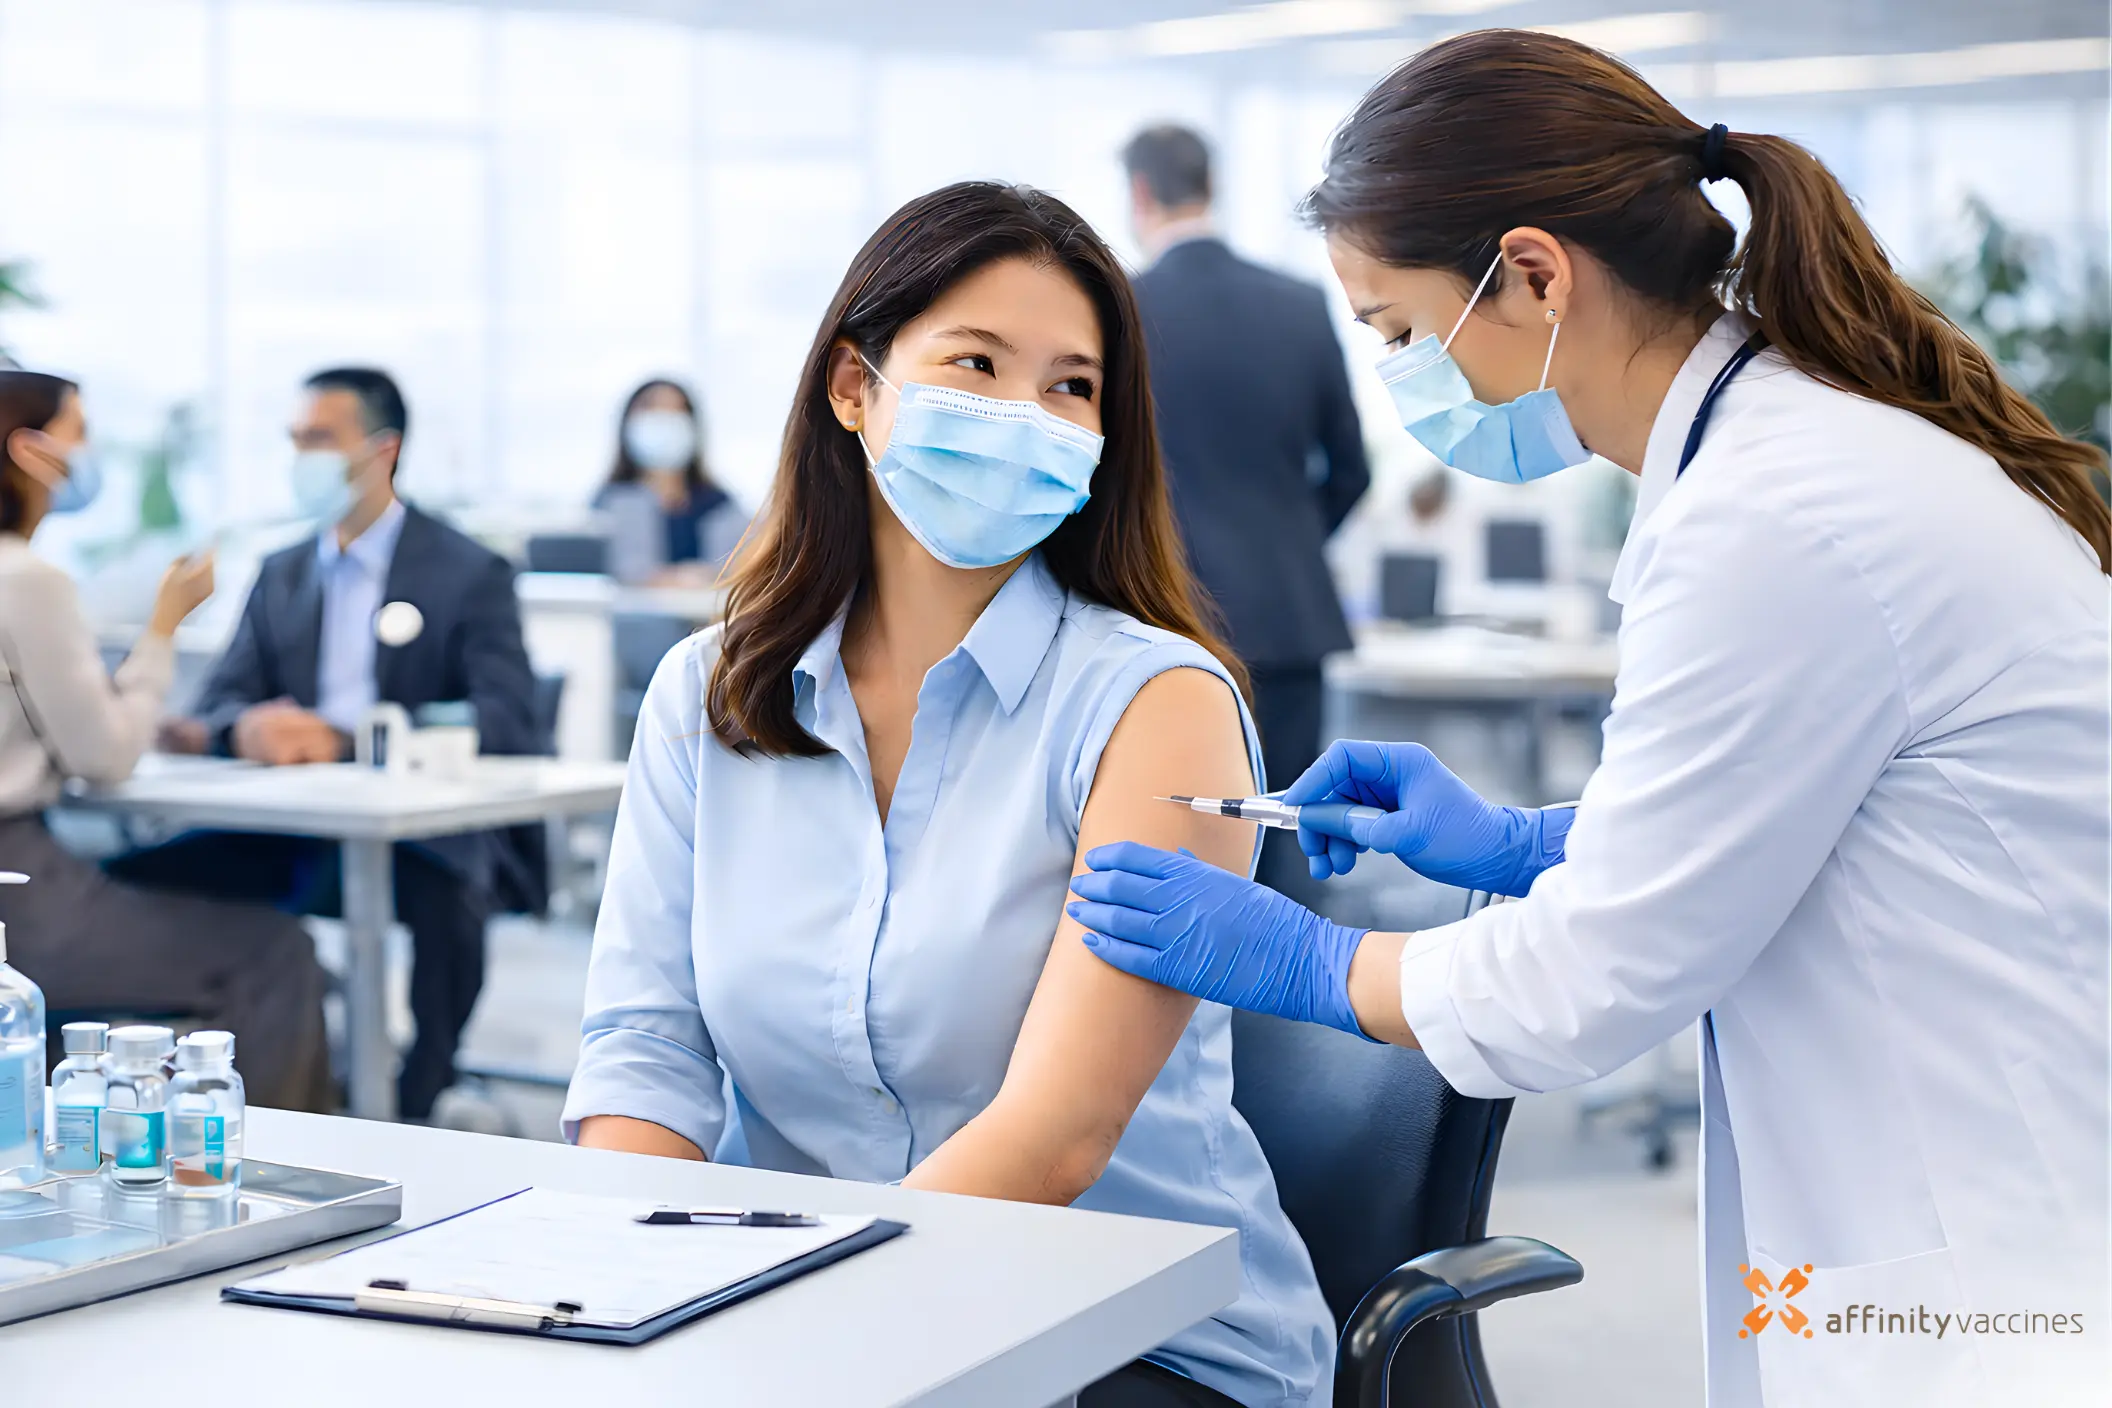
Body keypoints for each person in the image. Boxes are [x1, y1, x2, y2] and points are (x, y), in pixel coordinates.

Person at [1071, 32, 2110, 1408]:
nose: (1399, 376)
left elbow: (1590, 982)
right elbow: (1816, 818)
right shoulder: (1777, 462)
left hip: (1994, 1233)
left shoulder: (1778, 515)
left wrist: (1315, 965)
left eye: (1396, 332)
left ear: (1537, 274)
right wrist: (1527, 843)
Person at [561, 182, 1333, 1408]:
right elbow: (648, 1049)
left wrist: (809, 1335)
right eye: (976, 363)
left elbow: (1057, 1138)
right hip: (800, 1317)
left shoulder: (1158, 706)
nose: (1025, 414)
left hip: (1127, 1342)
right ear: (854, 389)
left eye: (1070, 386)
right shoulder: (706, 690)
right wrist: (631, 1293)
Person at [112, 367, 546, 1121]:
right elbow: (218, 704)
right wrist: (244, 730)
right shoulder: (281, 572)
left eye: (319, 439)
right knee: (131, 878)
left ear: (383, 450)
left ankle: (411, 1107)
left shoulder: (468, 572)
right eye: (295, 439)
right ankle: (228, 1083)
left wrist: (343, 740)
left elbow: (505, 717)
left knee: (454, 896)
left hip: (420, 840)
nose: (301, 457)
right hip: (294, 829)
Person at [0, 370, 331, 1109]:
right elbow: (106, 757)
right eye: (78, 430)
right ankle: (272, 1180)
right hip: (21, 898)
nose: (91, 451)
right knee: (275, 952)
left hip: (29, 880)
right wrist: (163, 627)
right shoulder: (28, 581)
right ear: (28, 450)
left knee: (173, 886)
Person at [1122, 124, 1368, 896]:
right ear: (1211, 186)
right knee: (1289, 846)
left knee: (1175, 847)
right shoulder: (1296, 304)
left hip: (1164, 620)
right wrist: (1288, 542)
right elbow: (1351, 470)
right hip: (1291, 620)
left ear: (1139, 195)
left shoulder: (1123, 308)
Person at [594, 378, 748, 585]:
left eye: (676, 410)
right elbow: (621, 572)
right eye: (652, 408)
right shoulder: (608, 503)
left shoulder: (719, 503)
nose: (664, 419)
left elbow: (741, 568)